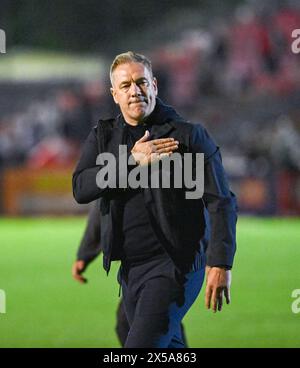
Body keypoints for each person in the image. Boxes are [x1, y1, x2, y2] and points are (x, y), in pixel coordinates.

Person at [72, 51, 237, 348]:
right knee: (140, 335)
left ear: (155, 86)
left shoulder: (188, 137)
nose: (135, 91)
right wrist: (131, 161)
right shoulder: (103, 137)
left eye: (141, 82)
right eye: (126, 86)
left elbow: (222, 201)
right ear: (115, 94)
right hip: (131, 271)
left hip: (176, 267)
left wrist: (220, 263)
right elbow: (84, 189)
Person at [71, 199, 188, 347]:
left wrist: (217, 259)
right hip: (138, 265)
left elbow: (213, 202)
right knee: (135, 323)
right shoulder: (118, 177)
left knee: (146, 323)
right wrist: (85, 253)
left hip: (167, 261)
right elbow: (105, 204)